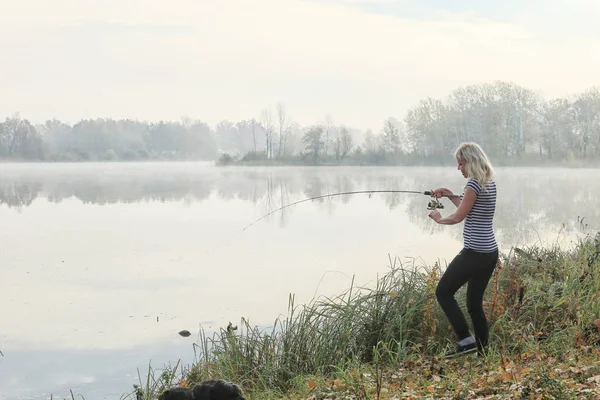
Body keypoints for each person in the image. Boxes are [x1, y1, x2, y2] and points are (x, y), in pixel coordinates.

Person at [428, 142, 498, 359]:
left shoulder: (473, 184)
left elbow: (459, 216)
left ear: (470, 161)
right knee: (474, 304)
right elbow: (468, 208)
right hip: (489, 253)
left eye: (460, 164)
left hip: (474, 253)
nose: (459, 168)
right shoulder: (488, 181)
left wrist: (439, 219)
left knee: (443, 291)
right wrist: (450, 195)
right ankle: (483, 354)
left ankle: (466, 341)